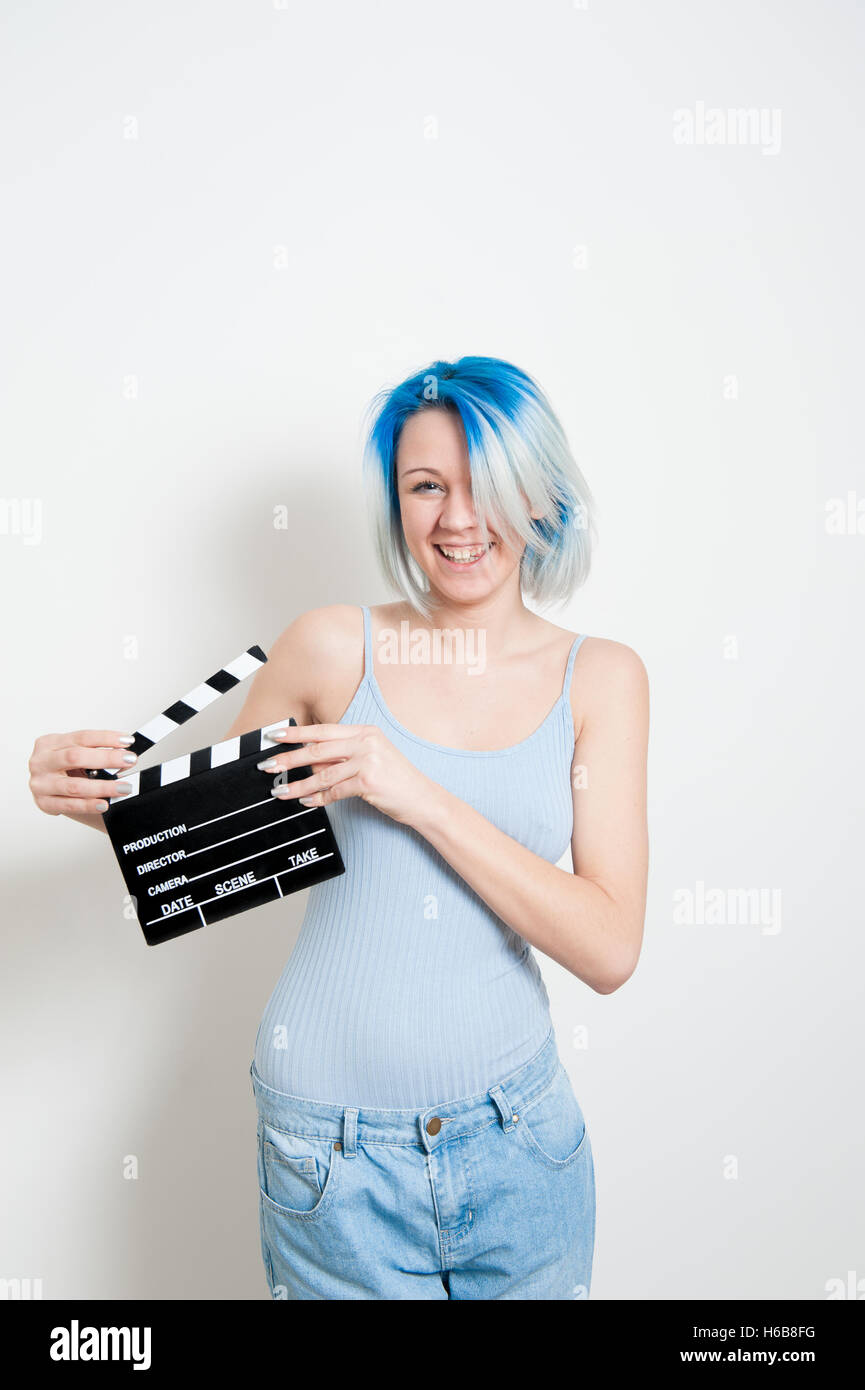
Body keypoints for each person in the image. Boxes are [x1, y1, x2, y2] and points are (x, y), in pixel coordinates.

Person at [28, 355, 649, 1300]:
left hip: (517, 1143)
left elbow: (609, 949)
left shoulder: (600, 678)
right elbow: (192, 850)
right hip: (329, 1153)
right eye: (425, 486)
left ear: (540, 491)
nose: (456, 518)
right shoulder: (329, 645)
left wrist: (415, 791)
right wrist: (90, 797)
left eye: (485, 483)